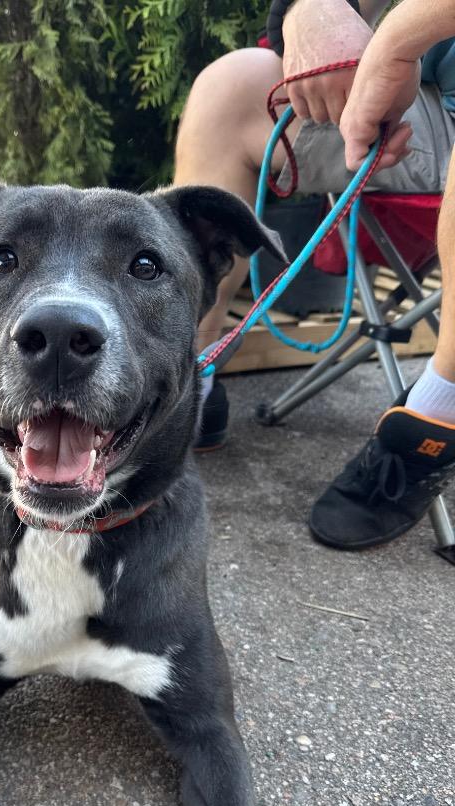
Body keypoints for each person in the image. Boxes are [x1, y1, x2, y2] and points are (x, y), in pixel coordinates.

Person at [176, 0, 455, 550]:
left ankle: (435, 420)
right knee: (230, 89)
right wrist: (310, 9)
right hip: (420, 101)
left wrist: (402, 32)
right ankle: (191, 374)